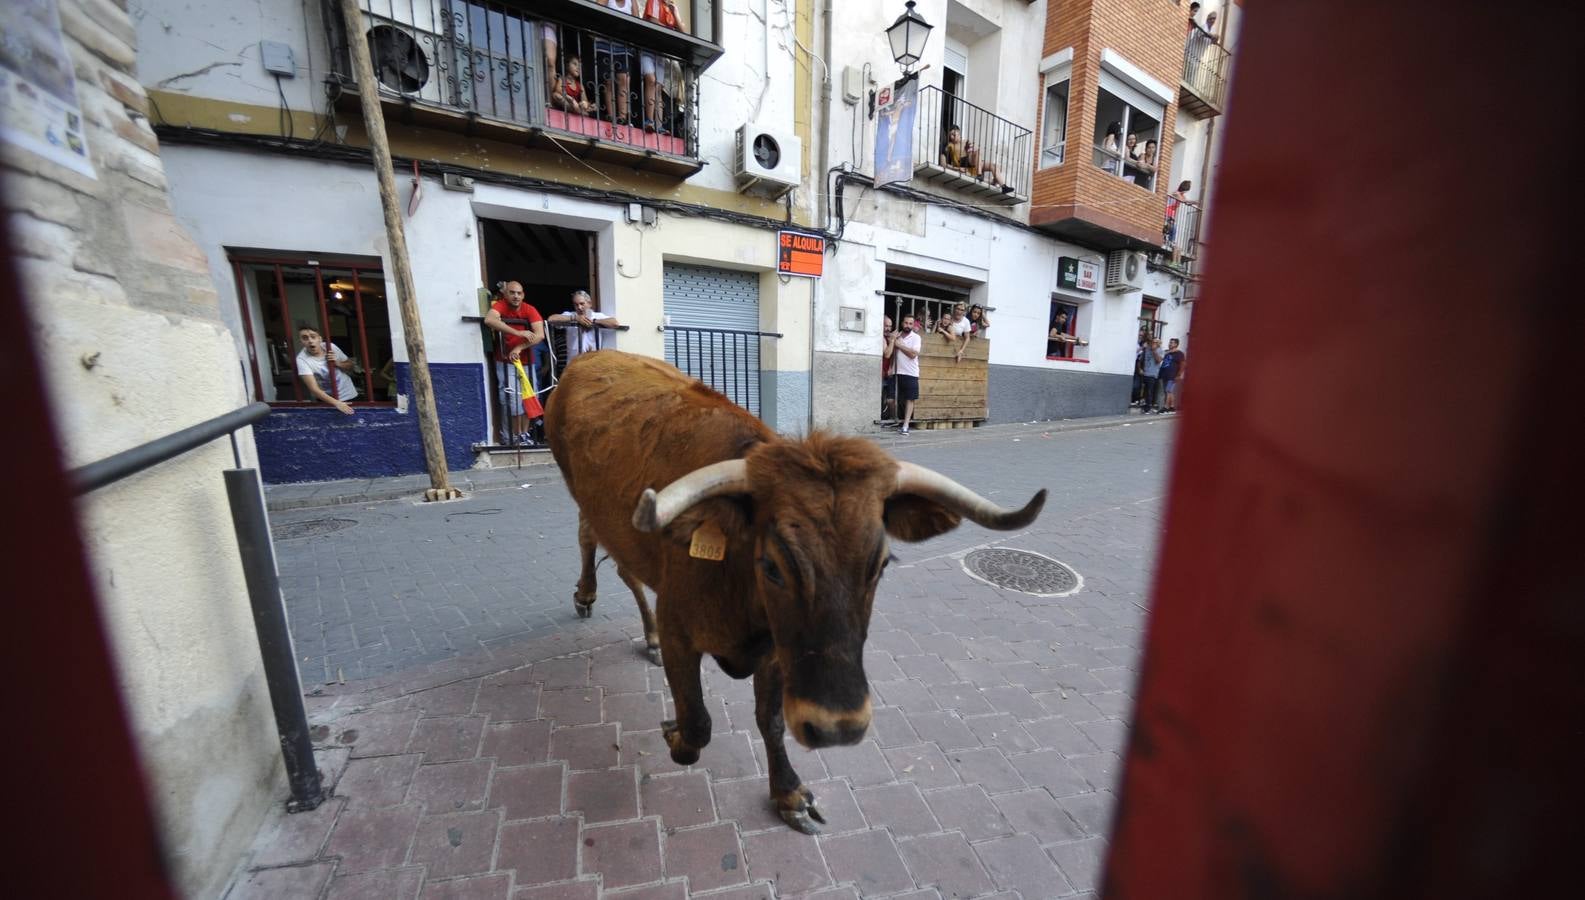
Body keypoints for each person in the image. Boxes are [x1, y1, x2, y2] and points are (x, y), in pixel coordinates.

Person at [484, 280, 546, 445]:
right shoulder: (501, 306)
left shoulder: (529, 309)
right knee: (511, 400)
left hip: (527, 361)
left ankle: (524, 435)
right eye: (512, 292)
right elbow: (489, 320)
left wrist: (519, 347)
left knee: (529, 398)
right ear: (505, 294)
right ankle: (512, 436)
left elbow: (540, 334)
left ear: (523, 295)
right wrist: (518, 333)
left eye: (519, 293)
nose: (516, 296)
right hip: (505, 362)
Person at [295, 326, 358, 414]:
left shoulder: (330, 347)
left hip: (349, 395)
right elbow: (313, 389)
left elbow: (350, 366)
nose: (310, 340)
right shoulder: (301, 359)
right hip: (326, 401)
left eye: (313, 337)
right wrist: (337, 403)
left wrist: (337, 363)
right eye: (305, 338)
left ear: (320, 339)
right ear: (301, 342)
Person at [546, 289, 620, 364]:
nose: (579, 307)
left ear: (589, 303)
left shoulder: (597, 316)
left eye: (582, 304)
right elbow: (551, 319)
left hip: (593, 363)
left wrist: (594, 321)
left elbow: (615, 323)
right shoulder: (570, 315)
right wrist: (575, 318)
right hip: (574, 364)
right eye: (576, 304)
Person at [940, 125, 1008, 191]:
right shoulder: (949, 145)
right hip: (961, 162)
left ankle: (1003, 186)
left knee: (994, 166)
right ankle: (980, 174)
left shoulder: (966, 141)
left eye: (954, 133)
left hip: (972, 162)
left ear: (959, 132)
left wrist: (969, 149)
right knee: (976, 153)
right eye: (951, 135)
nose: (953, 136)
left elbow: (972, 150)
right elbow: (943, 163)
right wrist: (957, 168)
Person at [891, 313, 922, 435]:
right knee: (894, 398)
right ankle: (896, 421)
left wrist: (900, 345)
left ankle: (905, 425)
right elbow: (893, 353)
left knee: (910, 399)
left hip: (911, 372)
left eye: (910, 323)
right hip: (897, 371)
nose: (908, 325)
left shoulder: (916, 337)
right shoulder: (896, 335)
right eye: (906, 323)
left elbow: (913, 354)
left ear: (913, 324)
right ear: (902, 323)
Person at [1158, 337, 1186, 413]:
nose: (1170, 344)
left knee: (1168, 390)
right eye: (1170, 342)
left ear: (1176, 344)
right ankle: (1172, 407)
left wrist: (1178, 375)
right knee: (1168, 391)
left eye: (1172, 342)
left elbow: (1183, 364)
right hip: (1164, 374)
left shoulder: (1179, 354)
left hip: (1172, 375)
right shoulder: (1167, 352)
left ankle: (1166, 407)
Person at [1164, 179, 1192, 247]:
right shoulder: (1176, 193)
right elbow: (1182, 200)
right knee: (1172, 228)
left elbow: (1186, 201)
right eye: (1188, 188)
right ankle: (1170, 241)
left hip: (1172, 214)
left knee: (1171, 228)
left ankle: (1169, 241)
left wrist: (1195, 202)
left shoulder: (1182, 196)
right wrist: (1188, 201)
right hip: (1167, 211)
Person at [1139, 337, 1164, 412]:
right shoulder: (1147, 349)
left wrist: (1154, 351)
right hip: (1144, 373)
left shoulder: (1160, 351)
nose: (1154, 343)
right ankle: (1143, 404)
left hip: (1153, 374)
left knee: (1149, 391)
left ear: (1159, 343)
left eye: (1156, 342)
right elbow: (1140, 359)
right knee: (1143, 390)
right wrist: (1140, 368)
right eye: (1153, 342)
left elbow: (1158, 361)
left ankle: (1148, 407)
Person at [880, 315, 897, 422]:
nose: (888, 328)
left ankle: (892, 419)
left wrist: (891, 367)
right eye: (886, 326)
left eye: (890, 326)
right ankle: (881, 419)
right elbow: (887, 354)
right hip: (880, 373)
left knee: (890, 399)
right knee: (880, 398)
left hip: (888, 373)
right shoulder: (881, 338)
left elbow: (892, 356)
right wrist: (892, 341)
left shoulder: (889, 338)